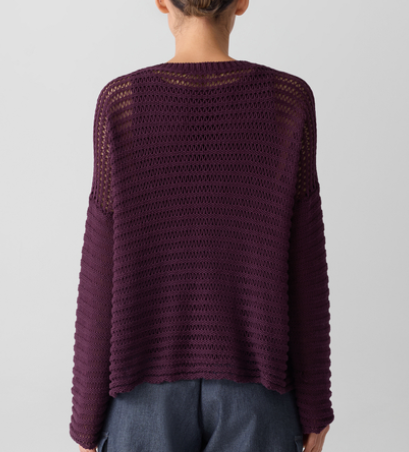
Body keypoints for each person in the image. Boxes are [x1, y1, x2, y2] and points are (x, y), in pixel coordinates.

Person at [69, 0, 334, 451]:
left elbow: (101, 268)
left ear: (162, 2)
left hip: (141, 391)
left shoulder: (122, 103)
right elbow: (305, 265)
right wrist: (315, 404)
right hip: (260, 395)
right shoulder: (287, 101)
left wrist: (86, 417)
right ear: (242, 2)